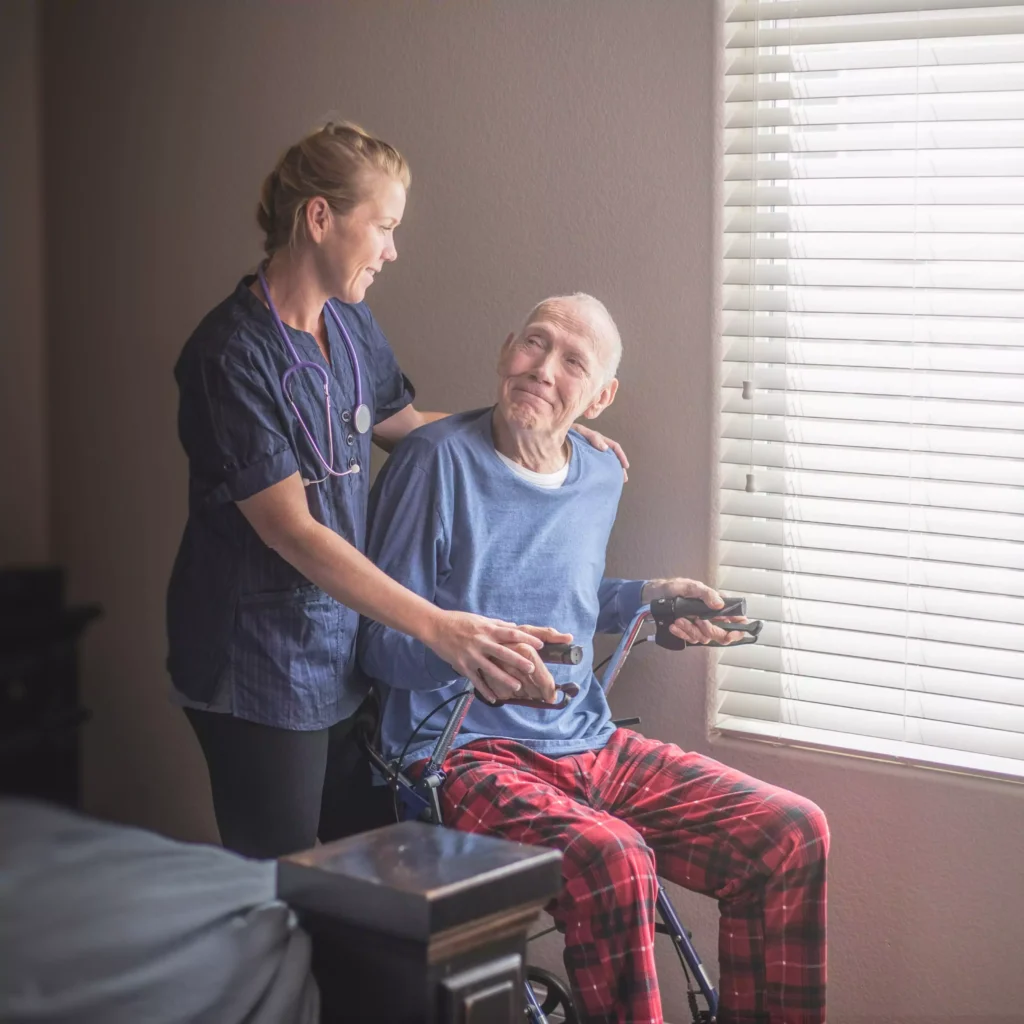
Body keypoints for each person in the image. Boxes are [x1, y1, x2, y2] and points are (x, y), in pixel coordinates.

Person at [358, 293, 829, 1024]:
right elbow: (380, 643)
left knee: (792, 833)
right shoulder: (432, 462)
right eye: (534, 345)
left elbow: (565, 600)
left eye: (572, 362)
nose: (544, 370)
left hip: (588, 742)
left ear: (601, 397)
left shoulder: (598, 475)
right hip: (462, 755)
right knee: (615, 861)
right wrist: (474, 658)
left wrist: (651, 597)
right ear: (505, 348)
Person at [166, 123, 625, 860]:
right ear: (320, 218)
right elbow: (292, 531)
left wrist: (551, 429)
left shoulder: (348, 323)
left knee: (391, 870)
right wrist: (438, 627)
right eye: (383, 227)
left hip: (339, 647)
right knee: (283, 886)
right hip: (256, 660)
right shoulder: (228, 357)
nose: (391, 251)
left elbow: (405, 424)